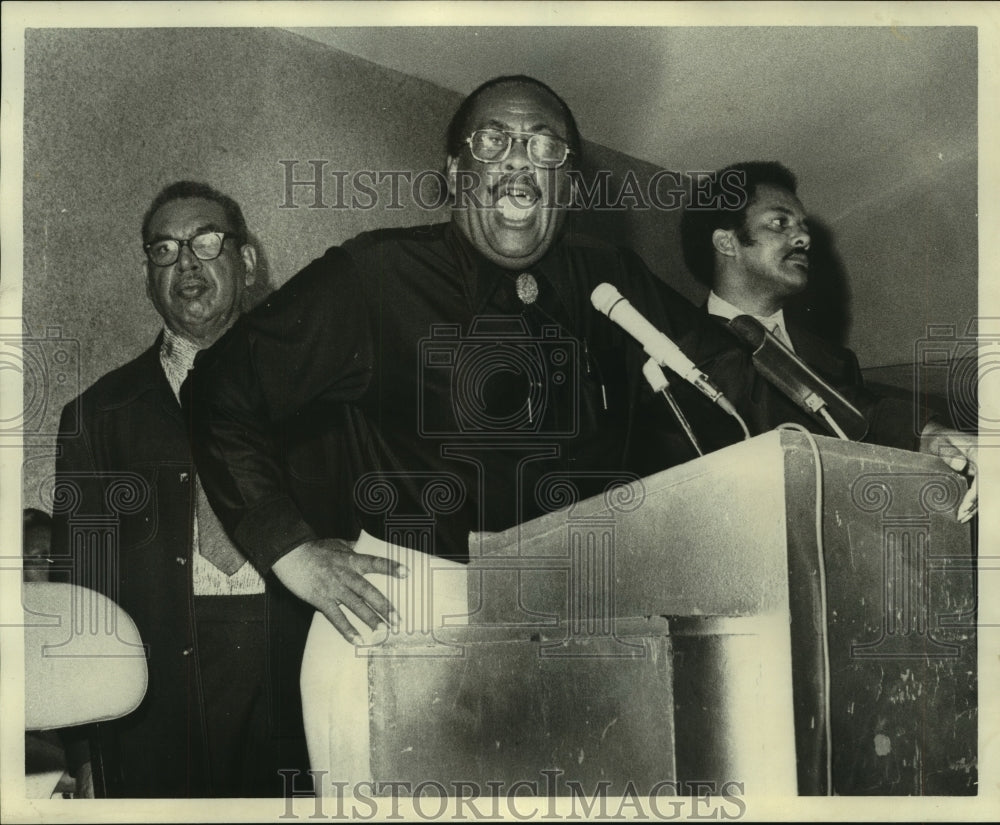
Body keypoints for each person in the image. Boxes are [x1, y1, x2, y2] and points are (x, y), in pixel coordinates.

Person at [185, 76, 716, 784]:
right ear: (456, 173)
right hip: (402, 615)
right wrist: (291, 550)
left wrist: (913, 423)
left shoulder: (606, 276)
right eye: (494, 141)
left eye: (545, 145)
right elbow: (221, 389)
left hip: (564, 620)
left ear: (570, 181)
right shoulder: (376, 274)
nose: (520, 163)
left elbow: (722, 370)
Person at [51, 181, 313, 797]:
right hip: (154, 700)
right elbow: (83, 590)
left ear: (246, 262)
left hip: (295, 672)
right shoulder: (97, 416)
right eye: (164, 250)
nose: (186, 262)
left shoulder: (317, 393)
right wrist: (86, 751)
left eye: (206, 241)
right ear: (149, 277)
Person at [679, 160, 977, 521]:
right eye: (780, 223)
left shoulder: (838, 362)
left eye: (803, 227)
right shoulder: (677, 348)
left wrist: (933, 437)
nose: (804, 238)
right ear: (727, 242)